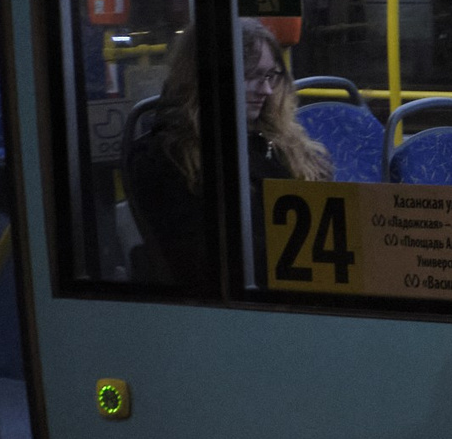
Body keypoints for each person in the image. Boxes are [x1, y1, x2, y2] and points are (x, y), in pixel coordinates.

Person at [126, 18, 331, 289]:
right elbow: (202, 262)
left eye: (270, 76)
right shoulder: (168, 158)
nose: (267, 90)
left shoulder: (279, 140)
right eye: (251, 76)